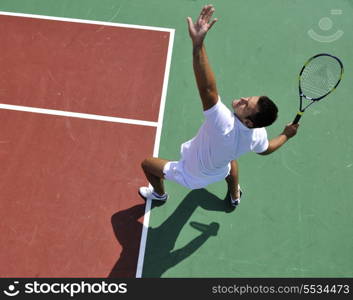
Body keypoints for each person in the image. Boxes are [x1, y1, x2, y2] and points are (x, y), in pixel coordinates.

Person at [138, 5, 299, 208]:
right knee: (231, 164)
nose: (241, 99)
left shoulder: (223, 124)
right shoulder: (257, 134)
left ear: (248, 121)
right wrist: (286, 135)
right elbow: (266, 149)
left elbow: (207, 90)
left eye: (245, 104)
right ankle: (234, 195)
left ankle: (159, 195)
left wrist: (198, 44)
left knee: (147, 164)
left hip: (190, 174)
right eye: (248, 97)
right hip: (219, 169)